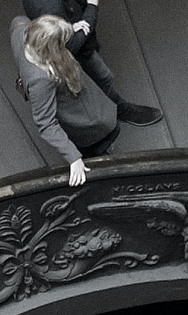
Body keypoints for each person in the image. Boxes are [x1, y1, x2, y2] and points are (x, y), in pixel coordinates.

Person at [13, 0, 163, 127]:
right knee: (103, 75)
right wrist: (91, 8)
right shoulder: (48, 6)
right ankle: (119, 111)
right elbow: (71, 46)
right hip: (67, 44)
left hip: (60, 13)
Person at [15, 13, 121, 186]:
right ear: (51, 49)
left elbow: (17, 20)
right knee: (106, 132)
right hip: (87, 119)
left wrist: (69, 28)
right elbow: (46, 123)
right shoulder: (41, 79)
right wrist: (74, 158)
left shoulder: (20, 31)